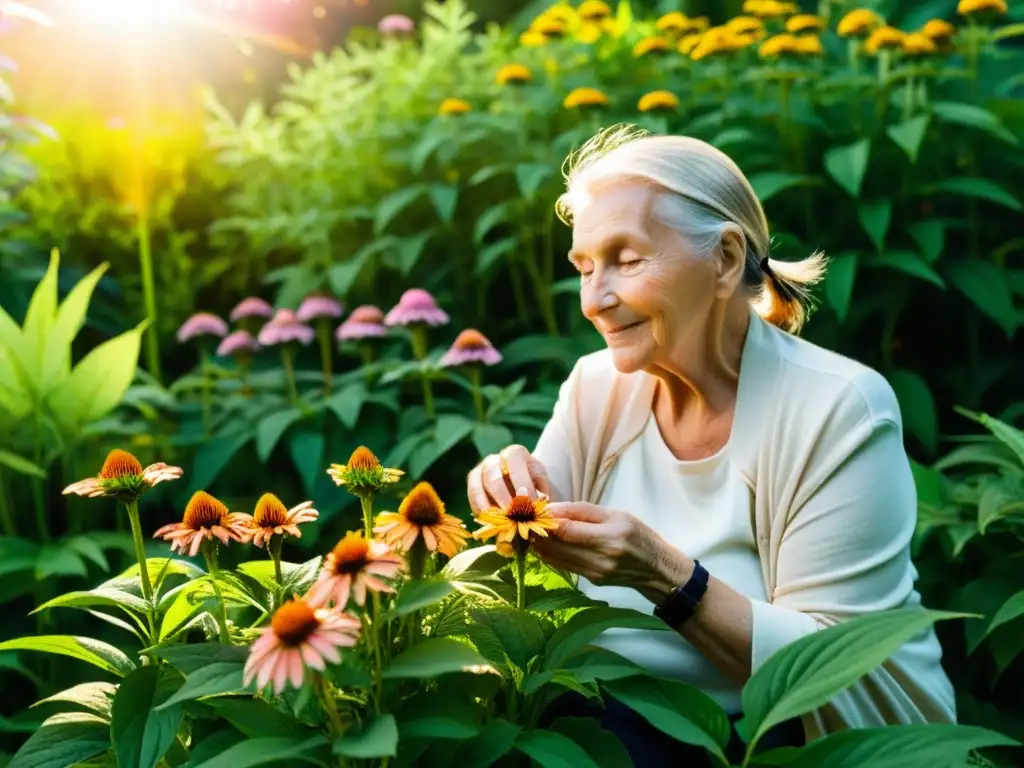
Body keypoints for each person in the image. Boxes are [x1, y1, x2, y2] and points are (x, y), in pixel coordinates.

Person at [466, 125, 956, 766]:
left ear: (724, 260)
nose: (594, 300)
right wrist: (505, 489)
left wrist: (662, 573)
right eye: (584, 267)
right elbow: (538, 526)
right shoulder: (595, 385)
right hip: (607, 718)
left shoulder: (839, 407)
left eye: (626, 259)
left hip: (783, 740)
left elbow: (828, 671)